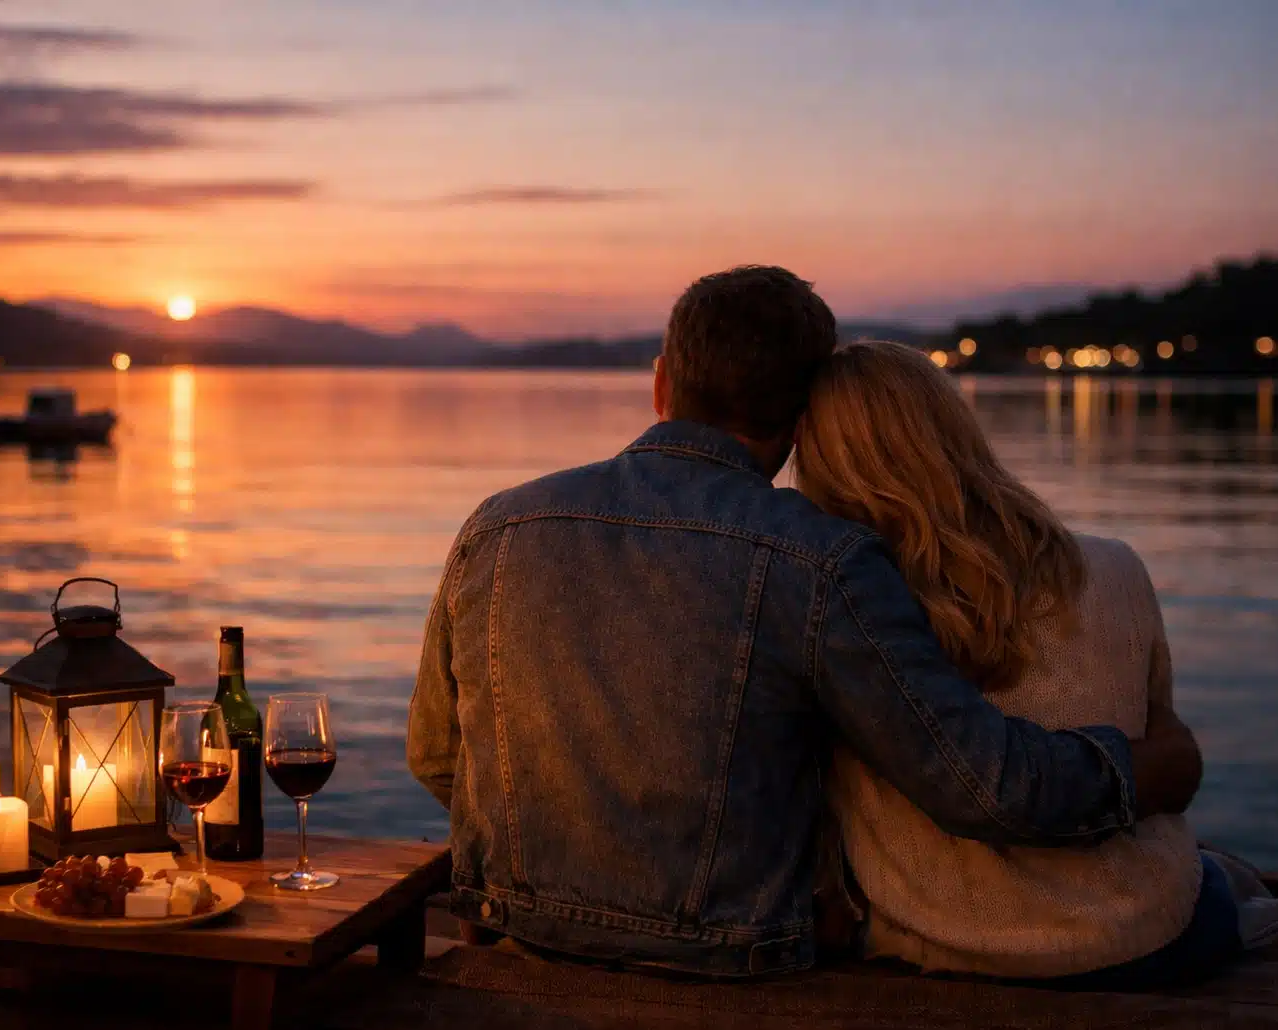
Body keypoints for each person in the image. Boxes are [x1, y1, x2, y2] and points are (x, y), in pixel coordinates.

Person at [407, 266, 1203, 978]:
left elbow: (438, 757)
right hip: (727, 954)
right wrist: (1143, 770)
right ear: (800, 422)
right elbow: (980, 786)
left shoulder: (498, 525)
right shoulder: (821, 558)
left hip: (524, 927)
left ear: (661, 383)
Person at [794, 339, 1259, 987]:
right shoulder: (1115, 567)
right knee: (1223, 878)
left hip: (943, 938)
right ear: (955, 429)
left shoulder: (844, 609)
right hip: (1142, 933)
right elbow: (1164, 735)